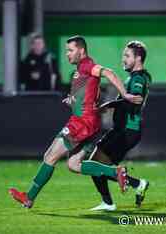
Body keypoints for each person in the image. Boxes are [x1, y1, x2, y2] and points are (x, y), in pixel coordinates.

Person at [9, 35, 143, 208]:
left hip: (82, 123)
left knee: (50, 156)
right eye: (67, 51)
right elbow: (86, 93)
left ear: (81, 50)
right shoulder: (80, 69)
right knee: (73, 164)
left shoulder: (87, 65)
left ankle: (29, 197)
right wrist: (72, 99)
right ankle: (115, 172)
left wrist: (124, 94)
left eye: (70, 50)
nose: (67, 54)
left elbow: (108, 73)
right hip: (90, 123)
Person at [67, 41, 151, 211]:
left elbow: (133, 103)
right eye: (124, 55)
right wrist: (110, 105)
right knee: (98, 165)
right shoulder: (133, 77)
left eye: (127, 56)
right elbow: (127, 100)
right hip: (123, 130)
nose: (124, 59)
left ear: (138, 58)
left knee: (94, 164)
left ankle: (114, 199)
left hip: (127, 130)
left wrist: (109, 105)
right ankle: (132, 187)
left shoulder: (138, 79)